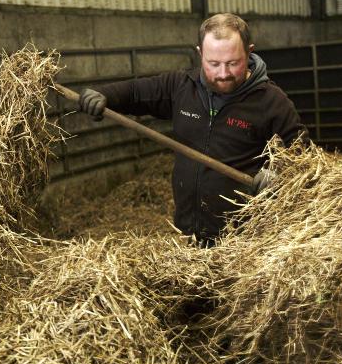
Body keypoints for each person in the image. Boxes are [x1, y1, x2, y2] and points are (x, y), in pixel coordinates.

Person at [78, 13, 309, 245]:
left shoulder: (272, 102)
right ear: (200, 54)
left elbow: (303, 156)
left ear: (249, 52)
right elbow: (136, 92)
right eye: (213, 63)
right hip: (191, 233)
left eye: (233, 63)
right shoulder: (181, 87)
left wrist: (277, 175)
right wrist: (104, 95)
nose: (223, 73)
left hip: (246, 240)